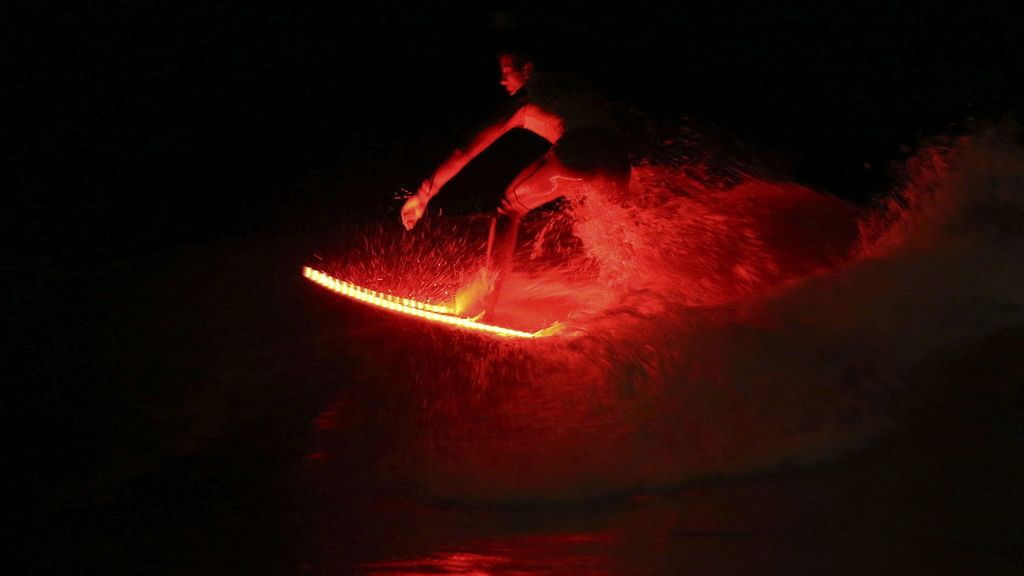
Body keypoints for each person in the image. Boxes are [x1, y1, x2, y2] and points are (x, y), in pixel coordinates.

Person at [400, 50, 631, 230]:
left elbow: (465, 151)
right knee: (610, 224)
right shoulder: (579, 84)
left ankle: (491, 289)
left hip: (578, 152)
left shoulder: (530, 93)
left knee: (509, 207)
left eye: (506, 70)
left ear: (528, 68)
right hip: (620, 164)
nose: (502, 80)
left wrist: (424, 194)